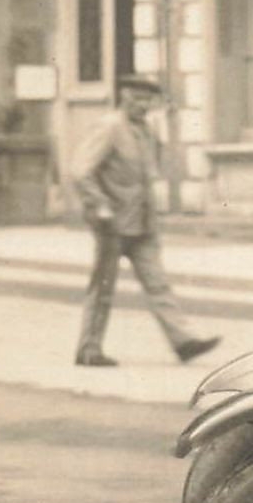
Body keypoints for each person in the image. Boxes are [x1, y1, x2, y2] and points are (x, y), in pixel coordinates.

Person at [70, 74, 220, 367]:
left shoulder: (148, 130)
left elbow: (152, 169)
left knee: (158, 283)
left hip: (143, 222)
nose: (142, 106)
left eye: (147, 100)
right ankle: (88, 350)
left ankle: (184, 342)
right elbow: (80, 171)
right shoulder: (110, 127)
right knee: (102, 288)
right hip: (112, 223)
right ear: (124, 98)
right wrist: (100, 205)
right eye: (136, 99)